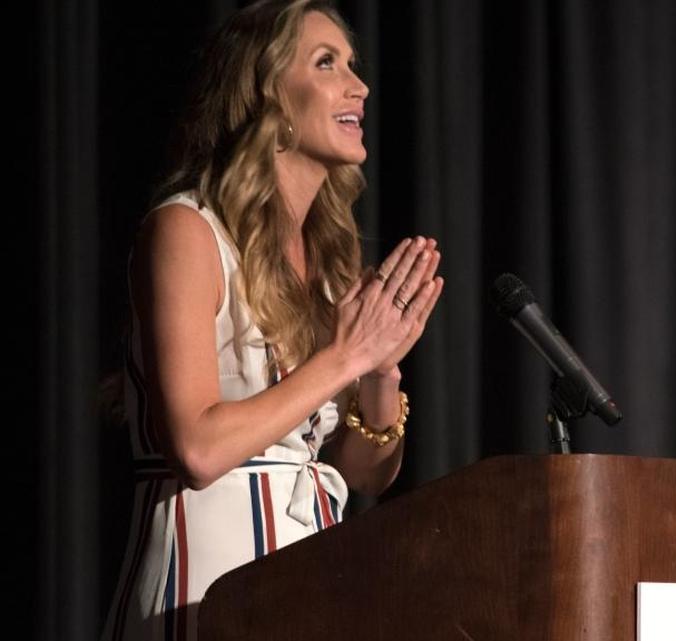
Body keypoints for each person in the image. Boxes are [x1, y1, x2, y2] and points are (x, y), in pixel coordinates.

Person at [101, 2, 443, 638]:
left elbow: (363, 475)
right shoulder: (186, 230)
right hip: (201, 594)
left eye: (352, 65)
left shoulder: (330, 262)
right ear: (268, 98)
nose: (359, 85)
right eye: (326, 63)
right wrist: (343, 357)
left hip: (311, 587)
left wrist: (380, 373)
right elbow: (198, 448)